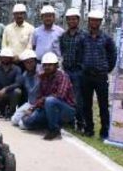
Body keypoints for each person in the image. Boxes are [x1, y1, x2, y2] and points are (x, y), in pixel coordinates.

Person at [79, 9, 117, 139]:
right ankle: (89, 128)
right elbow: (79, 54)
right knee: (86, 104)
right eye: (92, 20)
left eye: (97, 20)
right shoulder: (83, 37)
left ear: (100, 22)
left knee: (103, 105)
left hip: (101, 76)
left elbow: (113, 56)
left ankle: (104, 131)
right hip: (86, 76)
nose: (94, 22)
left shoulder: (107, 39)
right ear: (88, 21)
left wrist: (106, 69)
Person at [21, 52, 76, 140]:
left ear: (56, 65)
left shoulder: (63, 76)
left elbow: (59, 95)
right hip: (48, 108)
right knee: (27, 122)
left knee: (50, 100)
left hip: (66, 110)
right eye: (45, 65)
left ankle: (54, 130)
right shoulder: (43, 78)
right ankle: (48, 122)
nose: (47, 67)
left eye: (50, 65)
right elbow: (39, 97)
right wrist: (32, 109)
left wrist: (43, 100)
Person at [59, 7, 86, 132]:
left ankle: (80, 122)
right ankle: (69, 121)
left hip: (78, 72)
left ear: (78, 20)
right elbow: (62, 51)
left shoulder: (83, 36)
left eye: (74, 19)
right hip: (67, 71)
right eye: (69, 19)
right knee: (66, 97)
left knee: (77, 98)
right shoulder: (64, 36)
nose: (71, 22)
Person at [0, 48, 22, 118]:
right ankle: (2, 110)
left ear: (11, 58)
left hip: (11, 94)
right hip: (0, 96)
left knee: (17, 91)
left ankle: (11, 113)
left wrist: (6, 89)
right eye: (3, 57)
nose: (5, 59)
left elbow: (18, 83)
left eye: (7, 58)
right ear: (0, 58)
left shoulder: (17, 69)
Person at [10, 49, 40, 128]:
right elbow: (17, 85)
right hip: (30, 103)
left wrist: (33, 109)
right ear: (24, 64)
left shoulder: (42, 73)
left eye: (31, 62)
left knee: (22, 125)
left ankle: (42, 123)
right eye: (27, 62)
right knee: (14, 120)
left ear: (35, 62)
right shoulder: (24, 75)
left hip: (40, 105)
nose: (29, 64)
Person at [2, 3, 35, 69]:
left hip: (25, 62)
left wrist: (20, 57)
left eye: (21, 13)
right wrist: (9, 56)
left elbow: (30, 46)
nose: (19, 16)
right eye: (17, 13)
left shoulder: (31, 28)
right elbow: (4, 45)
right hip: (9, 61)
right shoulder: (7, 28)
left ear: (25, 15)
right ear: (13, 15)